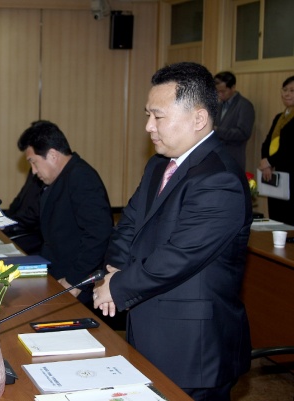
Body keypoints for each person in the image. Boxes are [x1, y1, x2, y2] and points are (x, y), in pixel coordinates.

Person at [93, 62, 252, 400]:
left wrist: (119, 286)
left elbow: (181, 255)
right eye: (147, 115)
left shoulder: (219, 178)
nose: (149, 126)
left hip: (193, 348)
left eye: (158, 116)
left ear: (198, 118)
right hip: (149, 327)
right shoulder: (159, 163)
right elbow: (129, 224)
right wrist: (115, 270)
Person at [17, 120, 113, 306]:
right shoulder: (62, 178)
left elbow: (98, 235)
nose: (34, 172)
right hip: (58, 277)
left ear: (52, 155)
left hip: (76, 285)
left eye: (34, 163)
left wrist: (74, 281)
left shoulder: (81, 178)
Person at [259, 75, 294, 225]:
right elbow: (267, 142)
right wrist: (266, 163)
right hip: (274, 170)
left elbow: (290, 148)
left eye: (292, 90)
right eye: (285, 90)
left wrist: (270, 161)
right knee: (276, 217)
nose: (287, 94)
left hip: (291, 171)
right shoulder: (280, 116)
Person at [213, 71, 255, 171]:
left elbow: (243, 133)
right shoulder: (219, 105)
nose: (220, 94)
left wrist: (217, 130)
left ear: (233, 87)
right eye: (217, 91)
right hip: (217, 158)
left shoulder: (244, 105)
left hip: (233, 158)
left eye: (223, 91)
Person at [2, 170, 44, 254]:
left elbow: (34, 214)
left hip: (31, 233)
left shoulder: (47, 174)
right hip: (18, 225)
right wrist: (4, 219)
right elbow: (18, 201)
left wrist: (8, 225)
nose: (34, 169)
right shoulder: (34, 168)